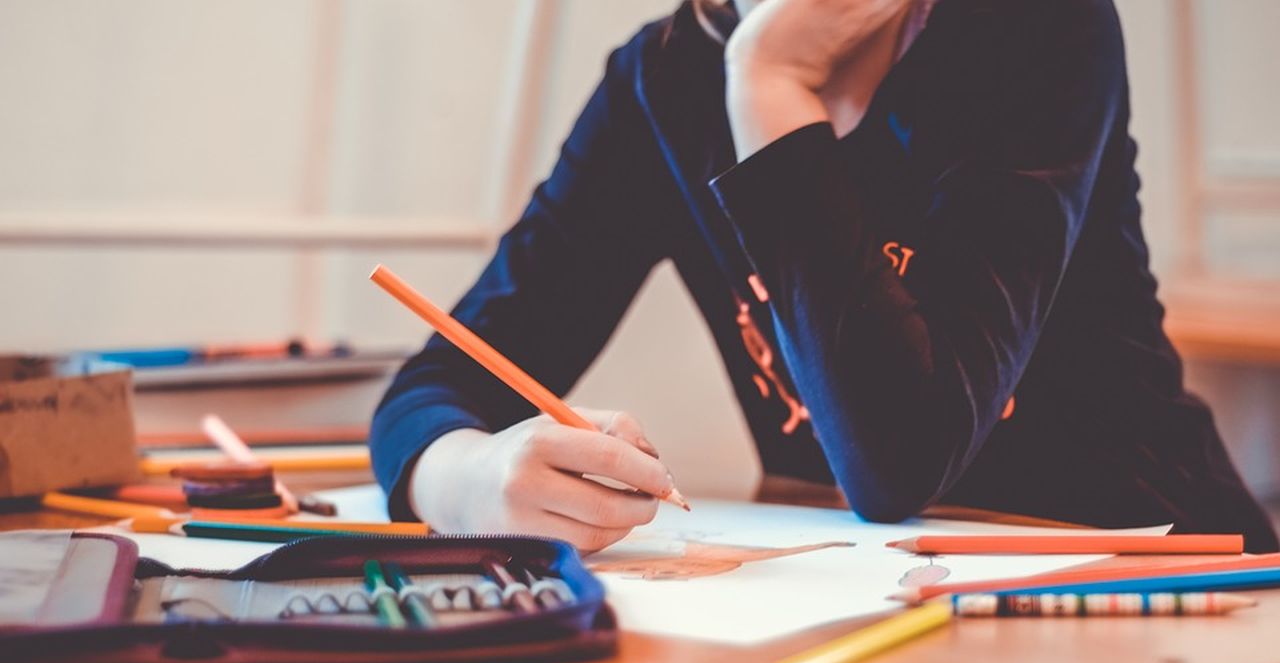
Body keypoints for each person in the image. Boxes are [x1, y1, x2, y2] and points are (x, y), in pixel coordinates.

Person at [370, 0, 1280, 553]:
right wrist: (467, 479)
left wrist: (768, 87)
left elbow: (898, 463)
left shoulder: (1034, 29)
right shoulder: (666, 76)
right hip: (874, 595)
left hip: (1155, 572)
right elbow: (438, 383)